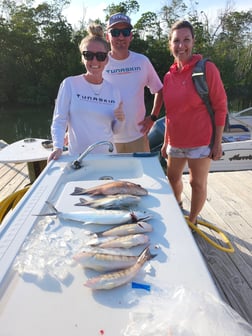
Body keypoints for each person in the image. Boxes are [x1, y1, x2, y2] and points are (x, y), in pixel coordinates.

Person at [161, 20, 227, 227]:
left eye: (186, 40)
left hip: (200, 140)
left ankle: (193, 221)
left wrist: (217, 143)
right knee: (172, 178)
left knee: (196, 183)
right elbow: (169, 113)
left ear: (193, 42)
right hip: (175, 140)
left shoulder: (207, 69)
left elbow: (221, 107)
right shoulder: (168, 76)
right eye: (176, 41)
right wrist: (165, 142)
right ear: (170, 44)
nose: (181, 46)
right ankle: (178, 205)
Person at [48, 24, 125, 162]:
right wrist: (57, 147)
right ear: (82, 58)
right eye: (88, 55)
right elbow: (59, 120)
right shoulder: (69, 84)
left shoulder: (114, 90)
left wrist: (120, 120)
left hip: (108, 158)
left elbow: (116, 131)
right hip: (78, 159)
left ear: (107, 59)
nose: (94, 61)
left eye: (100, 56)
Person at [103, 12, 163, 153]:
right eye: (115, 32)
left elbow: (159, 90)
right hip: (108, 139)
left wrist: (153, 117)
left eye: (125, 32)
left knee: (142, 175)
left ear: (131, 36)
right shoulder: (99, 62)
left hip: (138, 137)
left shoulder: (142, 61)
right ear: (107, 37)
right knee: (112, 176)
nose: (121, 37)